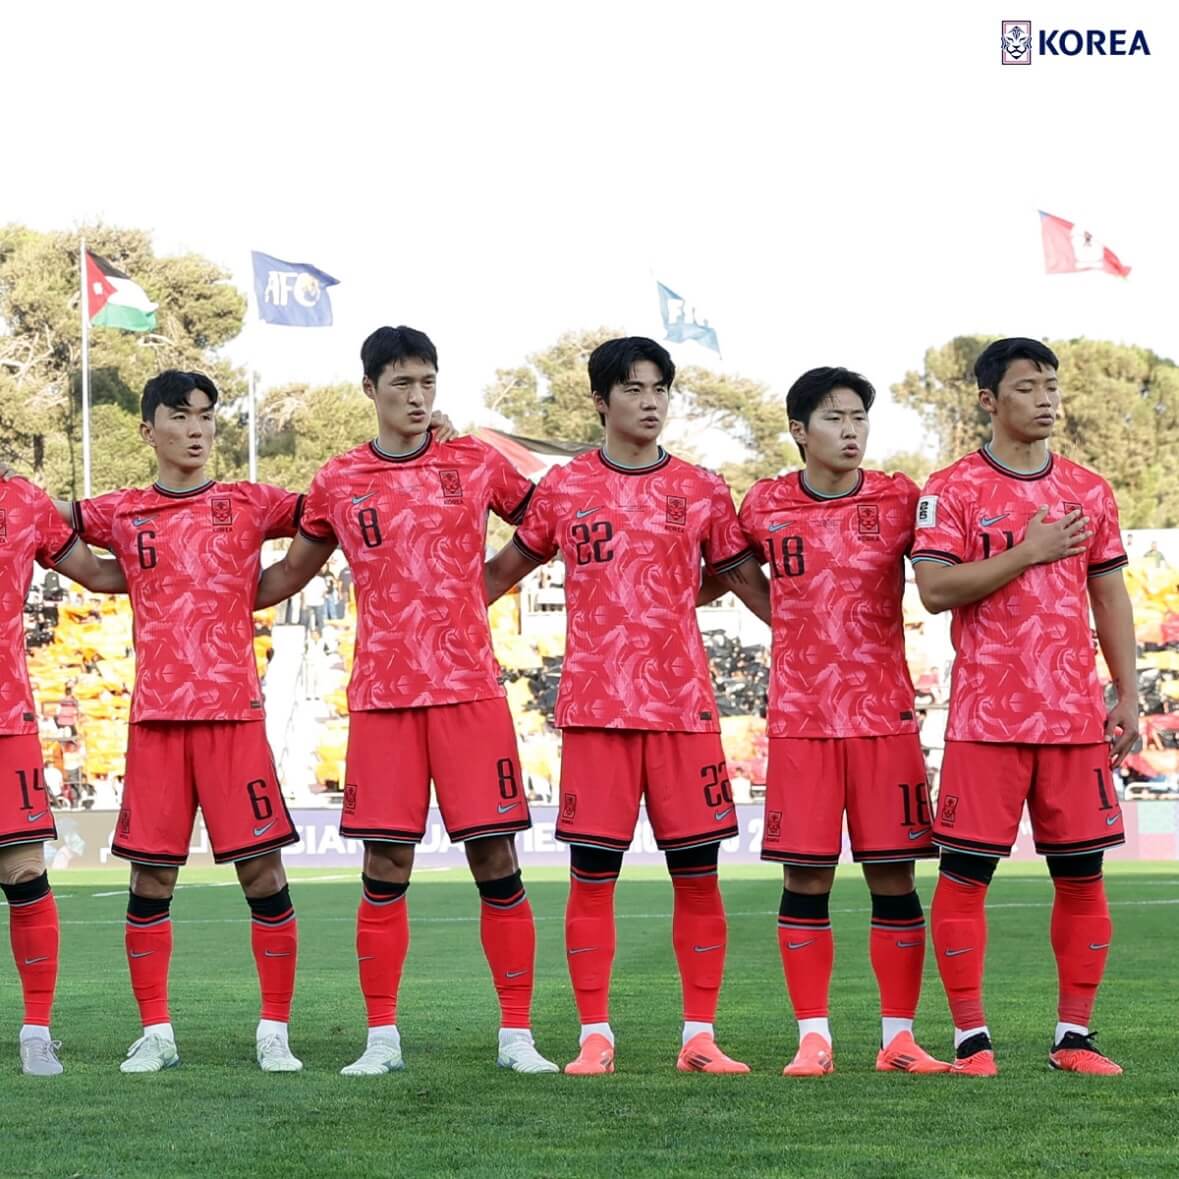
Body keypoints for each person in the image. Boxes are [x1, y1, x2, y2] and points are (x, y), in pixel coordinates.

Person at [255, 325, 557, 1076]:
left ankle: (516, 1035)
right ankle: (381, 1038)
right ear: (369, 391)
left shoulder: (475, 459)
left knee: (496, 855)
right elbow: (290, 571)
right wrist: (200, 603)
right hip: (384, 697)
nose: (418, 397)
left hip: (469, 693)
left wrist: (488, 581)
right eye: (401, 385)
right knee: (385, 863)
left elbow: (547, 524)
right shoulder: (336, 480)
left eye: (427, 382)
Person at [484, 336, 768, 1075]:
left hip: (682, 710)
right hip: (594, 711)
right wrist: (425, 605)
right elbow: (499, 573)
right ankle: (594, 1035)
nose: (650, 402)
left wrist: (814, 631)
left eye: (660, 390)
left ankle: (698, 1035)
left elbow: (742, 582)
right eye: (635, 389)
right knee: (592, 875)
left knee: (697, 875)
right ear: (600, 400)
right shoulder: (564, 488)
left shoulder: (704, 489)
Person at [63, 370, 308, 1074]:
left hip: (234, 716)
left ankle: (274, 1031)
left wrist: (281, 580)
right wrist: (104, 575)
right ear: (148, 430)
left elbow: (328, 515)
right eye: (181, 416)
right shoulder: (121, 511)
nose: (198, 428)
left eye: (207, 415)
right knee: (150, 881)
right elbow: (51, 526)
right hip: (157, 721)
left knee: (263, 874)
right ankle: (157, 1033)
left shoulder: (250, 500)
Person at [710, 366, 948, 1077]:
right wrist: (777, 610)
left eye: (859, 419)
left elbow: (947, 561)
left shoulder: (899, 497)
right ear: (798, 430)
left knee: (893, 877)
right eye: (835, 418)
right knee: (805, 878)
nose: (850, 431)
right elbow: (726, 565)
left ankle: (897, 1037)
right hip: (800, 717)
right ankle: (812, 1036)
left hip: (884, 717)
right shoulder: (765, 503)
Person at [911, 338, 1138, 1076]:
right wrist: (1027, 551)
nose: (1045, 399)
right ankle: (969, 1039)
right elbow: (936, 590)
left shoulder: (1089, 489)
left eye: (1051, 385)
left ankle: (1073, 1036)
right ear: (987, 399)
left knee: (1081, 878)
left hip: (1072, 718)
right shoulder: (951, 488)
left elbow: (1108, 595)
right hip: (986, 719)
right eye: (1026, 387)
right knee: (964, 877)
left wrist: (1126, 691)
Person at [0, 473, 126, 1075]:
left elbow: (98, 574)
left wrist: (186, 566)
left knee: (23, 870)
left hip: (6, 716)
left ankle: (35, 1031)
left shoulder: (21, 500)